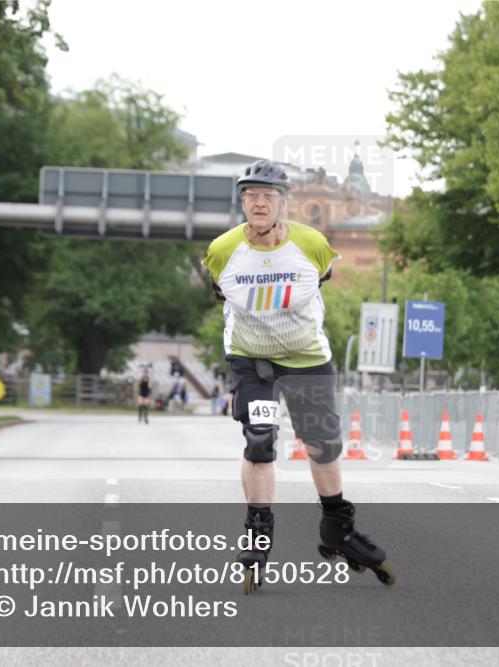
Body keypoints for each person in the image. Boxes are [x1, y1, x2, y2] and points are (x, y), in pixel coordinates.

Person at [201, 159, 393, 593]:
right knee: (260, 437)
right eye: (251, 196)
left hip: (307, 356)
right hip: (252, 358)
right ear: (242, 202)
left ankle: (338, 527)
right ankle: (258, 530)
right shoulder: (222, 251)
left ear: (284, 203)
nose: (259, 203)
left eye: (268, 196)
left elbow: (321, 280)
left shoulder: (313, 244)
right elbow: (221, 293)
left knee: (322, 443)